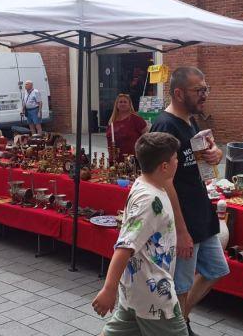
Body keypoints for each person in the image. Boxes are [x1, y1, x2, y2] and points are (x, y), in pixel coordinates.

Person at [150, 67, 227, 335]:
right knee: (181, 284)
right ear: (179, 93)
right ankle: (178, 328)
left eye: (206, 89)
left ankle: (181, 320)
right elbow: (164, 181)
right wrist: (181, 231)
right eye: (199, 90)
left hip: (200, 210)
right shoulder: (165, 125)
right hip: (182, 218)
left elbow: (199, 155)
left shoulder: (190, 121)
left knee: (217, 269)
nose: (204, 95)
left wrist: (215, 153)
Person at [92, 132, 187, 336]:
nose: (178, 162)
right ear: (164, 166)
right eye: (175, 159)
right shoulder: (149, 200)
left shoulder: (145, 183)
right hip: (154, 294)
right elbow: (125, 246)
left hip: (137, 290)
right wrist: (108, 289)